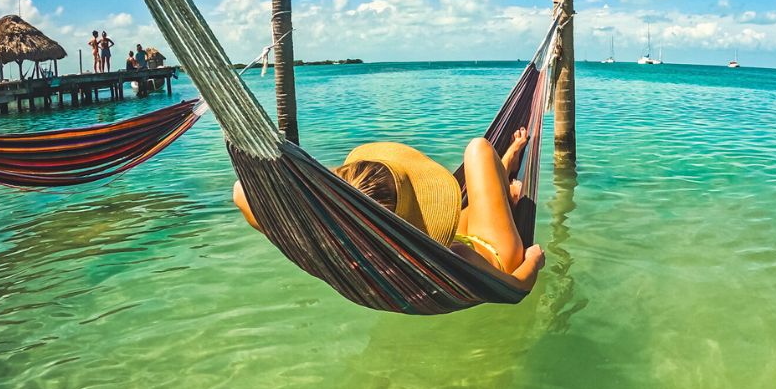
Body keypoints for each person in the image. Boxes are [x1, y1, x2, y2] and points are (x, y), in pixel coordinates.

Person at [232, 128, 545, 291]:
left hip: (441, 244)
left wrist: (322, 197)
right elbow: (518, 286)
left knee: (477, 203)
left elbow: (241, 191)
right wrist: (532, 261)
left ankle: (506, 186)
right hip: (493, 255)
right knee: (479, 149)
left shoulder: (328, 245)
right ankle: (508, 174)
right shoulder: (456, 259)